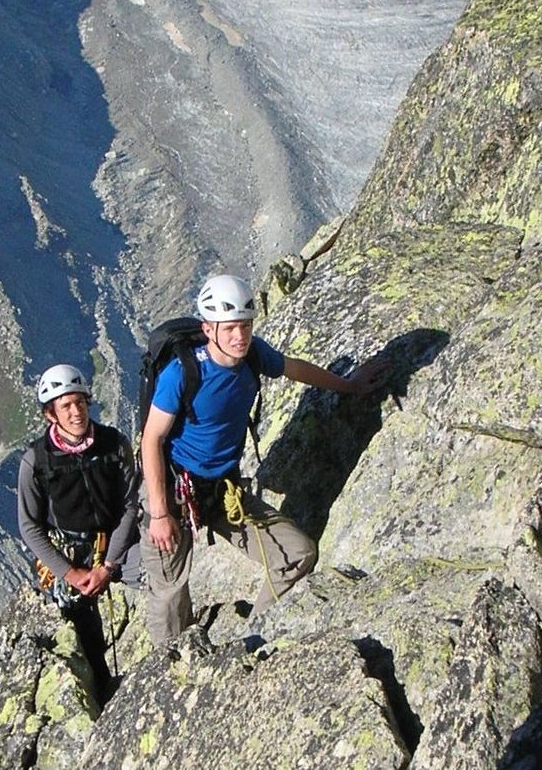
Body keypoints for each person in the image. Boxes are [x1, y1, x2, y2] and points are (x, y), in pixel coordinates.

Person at [140, 273, 388, 645]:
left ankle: (252, 640)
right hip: (176, 494)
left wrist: (349, 384)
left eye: (245, 326)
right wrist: (159, 514)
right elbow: (151, 440)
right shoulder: (183, 373)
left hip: (224, 492)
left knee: (297, 554)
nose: (240, 336)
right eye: (230, 328)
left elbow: (295, 369)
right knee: (170, 592)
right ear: (209, 329)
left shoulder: (255, 355)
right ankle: (173, 666)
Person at [17, 363, 139, 699]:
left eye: (80, 403)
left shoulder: (114, 445)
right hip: (69, 554)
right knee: (80, 629)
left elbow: (130, 505)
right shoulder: (37, 461)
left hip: (117, 544)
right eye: (66, 406)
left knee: (160, 577)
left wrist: (109, 565)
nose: (76, 413)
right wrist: (69, 573)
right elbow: (29, 525)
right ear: (50, 414)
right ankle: (101, 694)